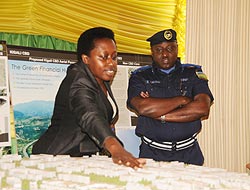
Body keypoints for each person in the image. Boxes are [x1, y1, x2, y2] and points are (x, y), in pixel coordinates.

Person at [32, 27, 146, 169]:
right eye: (103, 57)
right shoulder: (78, 80)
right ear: (86, 59)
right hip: (55, 158)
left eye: (114, 57)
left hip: (81, 158)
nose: (111, 63)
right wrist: (115, 148)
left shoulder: (100, 77)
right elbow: (89, 114)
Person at [127, 29, 214, 166]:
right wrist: (183, 100)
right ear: (152, 52)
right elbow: (143, 107)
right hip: (152, 154)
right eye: (159, 50)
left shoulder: (193, 73)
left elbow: (202, 108)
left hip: (189, 154)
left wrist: (159, 114)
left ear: (177, 49)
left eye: (170, 48)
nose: (165, 54)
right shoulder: (140, 77)